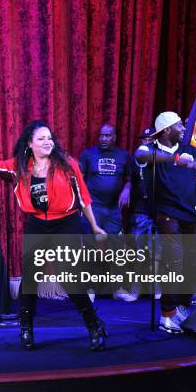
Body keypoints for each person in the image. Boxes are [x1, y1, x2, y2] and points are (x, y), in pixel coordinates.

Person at [0, 120, 108, 351]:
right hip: (37, 224)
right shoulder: (18, 167)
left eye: (49, 138)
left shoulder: (67, 164)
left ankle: (94, 326)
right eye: (41, 138)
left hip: (66, 223)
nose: (47, 141)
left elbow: (83, 197)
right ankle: (26, 328)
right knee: (30, 280)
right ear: (30, 143)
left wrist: (94, 226)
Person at [135, 112, 196, 333]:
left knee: (193, 264)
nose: (184, 129)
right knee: (174, 261)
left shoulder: (190, 151)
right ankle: (167, 315)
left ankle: (182, 308)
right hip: (166, 212)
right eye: (179, 126)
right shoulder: (150, 148)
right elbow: (141, 156)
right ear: (167, 130)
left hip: (190, 213)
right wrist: (175, 160)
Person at [79, 123, 134, 301]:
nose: (104, 139)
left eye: (107, 136)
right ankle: (90, 289)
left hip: (113, 210)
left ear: (114, 137)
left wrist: (127, 188)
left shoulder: (124, 156)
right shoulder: (88, 154)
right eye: (101, 135)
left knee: (116, 249)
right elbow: (79, 180)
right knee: (91, 249)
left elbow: (129, 178)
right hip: (93, 208)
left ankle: (117, 288)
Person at [127, 126, 161, 299]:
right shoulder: (136, 159)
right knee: (138, 252)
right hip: (139, 210)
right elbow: (129, 179)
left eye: (150, 139)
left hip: (158, 210)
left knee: (157, 252)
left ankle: (157, 288)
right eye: (144, 139)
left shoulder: (161, 159)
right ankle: (135, 290)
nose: (146, 142)